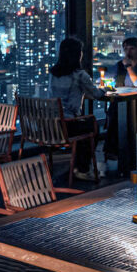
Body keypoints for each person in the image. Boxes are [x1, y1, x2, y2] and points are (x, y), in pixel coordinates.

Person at [48, 37, 106, 181]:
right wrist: (105, 89)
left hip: (49, 126)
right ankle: (82, 169)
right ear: (77, 55)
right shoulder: (80, 75)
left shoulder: (53, 74)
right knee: (92, 126)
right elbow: (97, 94)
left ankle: (78, 165)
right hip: (67, 126)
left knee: (85, 126)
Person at [104, 36, 137, 160]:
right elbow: (105, 77)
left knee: (116, 112)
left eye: (132, 49)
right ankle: (115, 151)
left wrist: (129, 68)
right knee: (115, 110)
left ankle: (114, 151)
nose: (128, 52)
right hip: (125, 101)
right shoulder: (120, 65)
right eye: (125, 49)